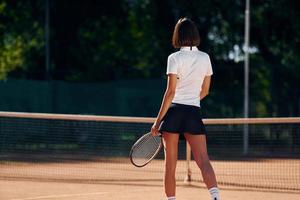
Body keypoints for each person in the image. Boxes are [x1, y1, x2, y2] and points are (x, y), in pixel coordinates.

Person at [150, 17, 220, 200]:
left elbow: (170, 92)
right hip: (193, 113)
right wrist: (190, 102)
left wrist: (157, 122)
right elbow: (205, 90)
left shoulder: (173, 58)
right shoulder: (205, 58)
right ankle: (216, 197)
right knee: (204, 161)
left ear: (177, 35)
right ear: (195, 34)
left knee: (170, 166)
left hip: (173, 114)